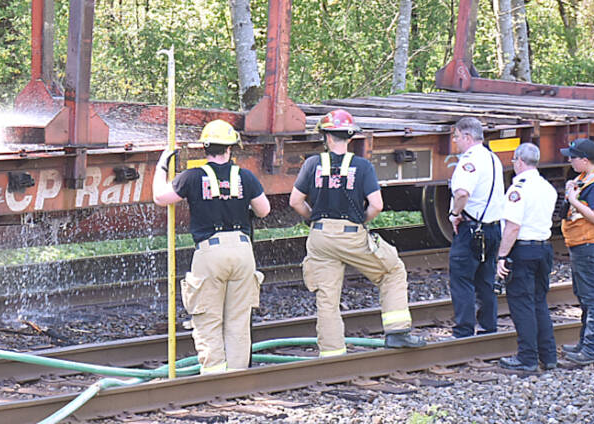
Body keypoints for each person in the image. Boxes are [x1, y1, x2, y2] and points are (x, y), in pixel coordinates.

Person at [289, 109, 425, 354]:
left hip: (319, 237)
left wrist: (316, 220)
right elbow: (377, 205)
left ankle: (332, 354)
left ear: (327, 138)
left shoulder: (312, 164)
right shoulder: (362, 166)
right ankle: (397, 332)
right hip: (351, 233)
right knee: (392, 270)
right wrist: (360, 221)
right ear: (350, 138)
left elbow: (296, 201)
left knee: (327, 297)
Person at [153, 120, 270, 373]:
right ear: (230, 149)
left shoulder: (192, 177)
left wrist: (163, 164)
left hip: (210, 252)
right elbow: (264, 210)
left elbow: (160, 197)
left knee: (208, 320)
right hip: (242, 250)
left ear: (205, 148)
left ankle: (214, 376)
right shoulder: (245, 176)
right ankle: (237, 377)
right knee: (238, 321)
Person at [494, 143, 559, 372]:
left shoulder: (518, 189)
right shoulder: (547, 188)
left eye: (513, 161)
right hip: (543, 249)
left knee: (522, 304)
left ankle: (527, 357)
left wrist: (502, 256)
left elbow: (512, 227)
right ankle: (549, 355)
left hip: (522, 250)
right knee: (539, 302)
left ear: (520, 161)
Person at [446, 116, 505, 338]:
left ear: (468, 137)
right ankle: (489, 326)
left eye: (457, 137)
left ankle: (463, 330)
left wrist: (455, 214)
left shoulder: (468, 161)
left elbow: (462, 193)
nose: (455, 141)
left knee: (462, 279)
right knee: (486, 279)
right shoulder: (492, 158)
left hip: (472, 229)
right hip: (492, 228)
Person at [560, 137, 594, 364]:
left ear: (585, 160)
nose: (569, 161)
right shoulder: (586, 177)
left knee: (592, 298)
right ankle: (586, 344)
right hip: (583, 243)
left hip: (591, 243)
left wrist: (573, 200)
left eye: (573, 157)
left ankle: (593, 350)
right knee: (585, 295)